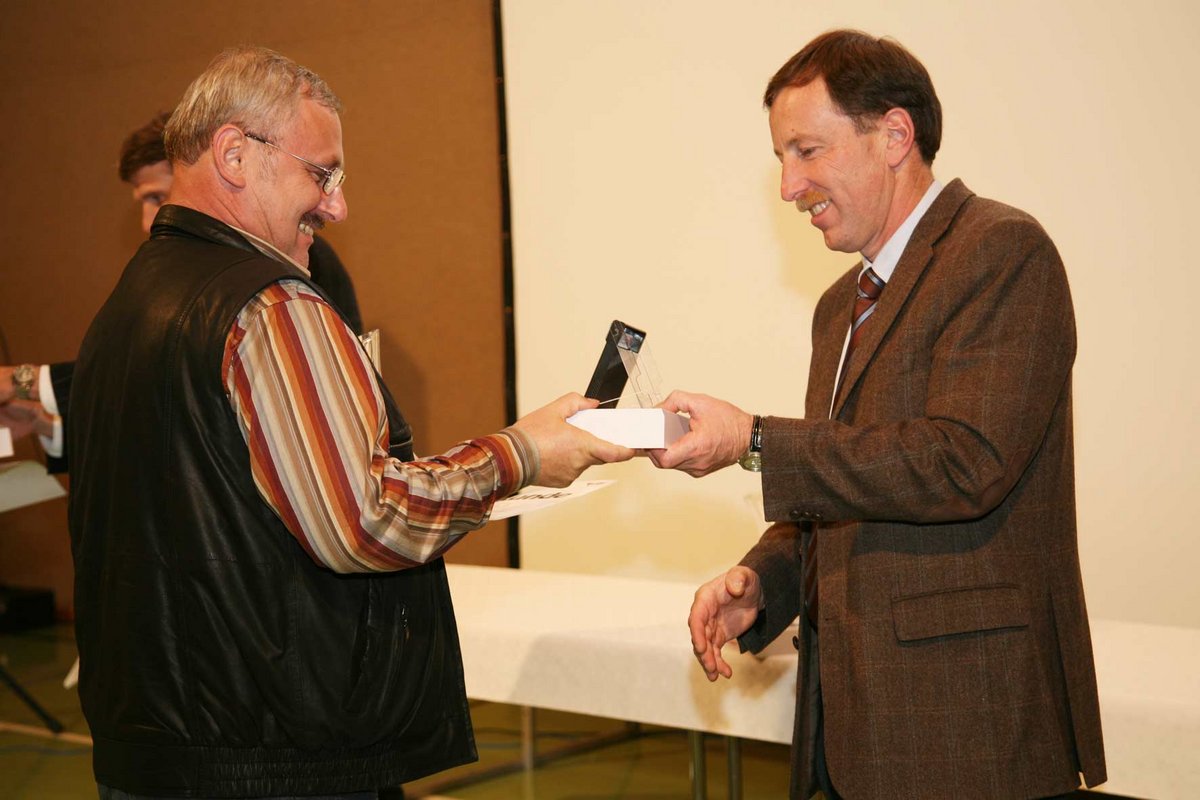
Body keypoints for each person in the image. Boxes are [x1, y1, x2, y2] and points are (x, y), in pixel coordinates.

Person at [67, 45, 633, 799]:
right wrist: (518, 455)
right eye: (322, 173)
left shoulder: (127, 304)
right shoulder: (271, 304)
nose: (337, 207)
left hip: (153, 749)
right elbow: (365, 521)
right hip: (273, 757)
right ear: (234, 155)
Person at [651, 30, 1105, 799]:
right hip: (848, 735)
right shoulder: (840, 306)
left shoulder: (1002, 252)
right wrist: (765, 582)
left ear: (894, 136)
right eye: (781, 159)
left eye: (807, 151)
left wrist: (753, 440)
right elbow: (846, 486)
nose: (789, 186)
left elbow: (963, 463)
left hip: (970, 734)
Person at [0, 111, 366, 474]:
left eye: (158, 196)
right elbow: (168, 405)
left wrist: (24, 381)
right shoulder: (193, 269)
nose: (147, 221)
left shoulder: (285, 260)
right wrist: (48, 425)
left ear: (196, 176)